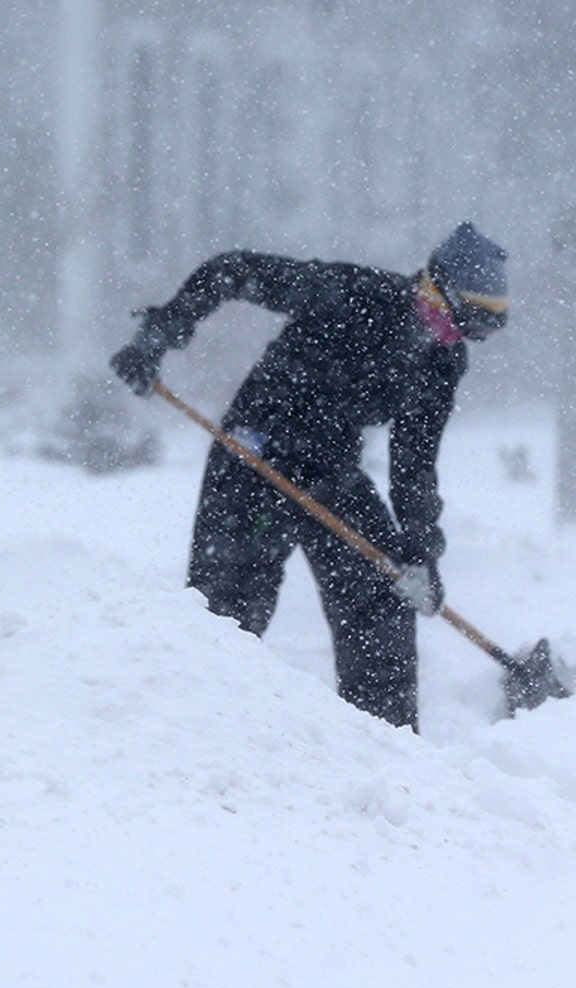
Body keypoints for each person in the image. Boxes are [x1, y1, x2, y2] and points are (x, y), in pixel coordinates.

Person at [109, 224, 508, 730]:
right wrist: (159, 334)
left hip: (330, 471)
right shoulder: (354, 294)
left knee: (383, 597)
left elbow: (415, 460)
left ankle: (387, 749)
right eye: (452, 324)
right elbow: (231, 271)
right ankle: (195, 732)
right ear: (433, 288)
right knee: (222, 616)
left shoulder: (440, 362)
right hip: (251, 455)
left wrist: (419, 550)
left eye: (467, 334)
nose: (448, 338)